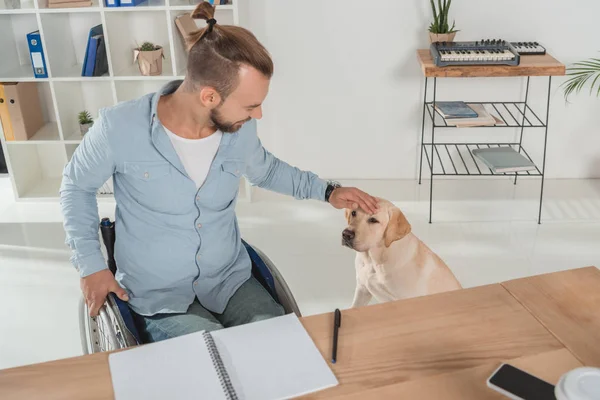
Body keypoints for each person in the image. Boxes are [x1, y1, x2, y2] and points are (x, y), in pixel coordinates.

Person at [60, 1, 378, 343]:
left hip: (228, 280)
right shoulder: (119, 127)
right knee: (213, 358)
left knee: (282, 345)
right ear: (210, 96)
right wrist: (90, 266)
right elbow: (76, 188)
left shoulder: (237, 129)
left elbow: (266, 170)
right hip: (158, 296)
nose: (258, 116)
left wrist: (328, 191)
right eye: (251, 105)